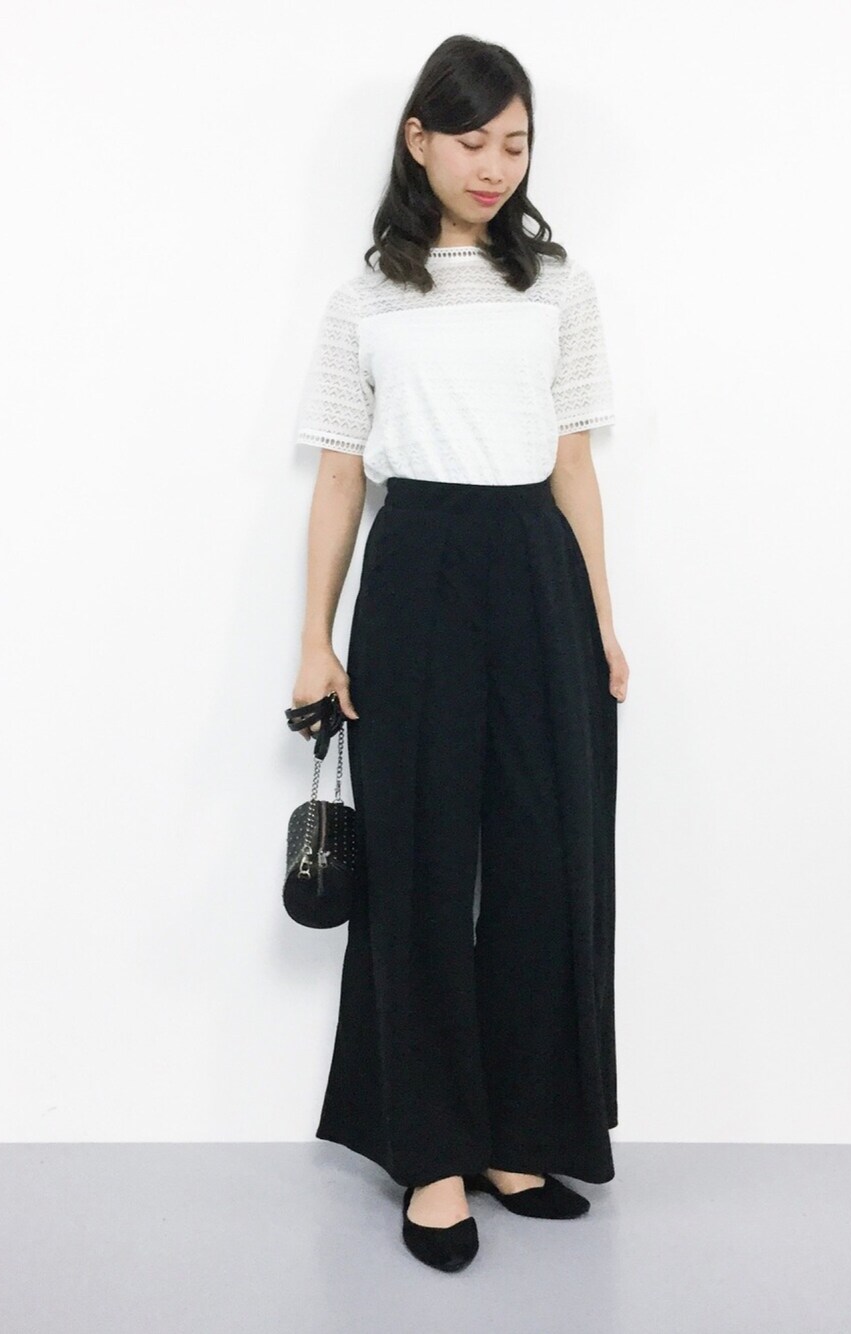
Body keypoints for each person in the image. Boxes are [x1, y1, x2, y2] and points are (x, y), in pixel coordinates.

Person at [289, 34, 629, 1273]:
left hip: (535, 570)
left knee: (546, 858)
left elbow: (573, 461)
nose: (495, 165)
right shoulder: (366, 298)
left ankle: (520, 1132)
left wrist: (600, 619)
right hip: (418, 569)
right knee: (422, 861)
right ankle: (431, 1152)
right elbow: (341, 476)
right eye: (473, 140)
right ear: (418, 140)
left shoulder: (558, 286)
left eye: (516, 143)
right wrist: (314, 640)